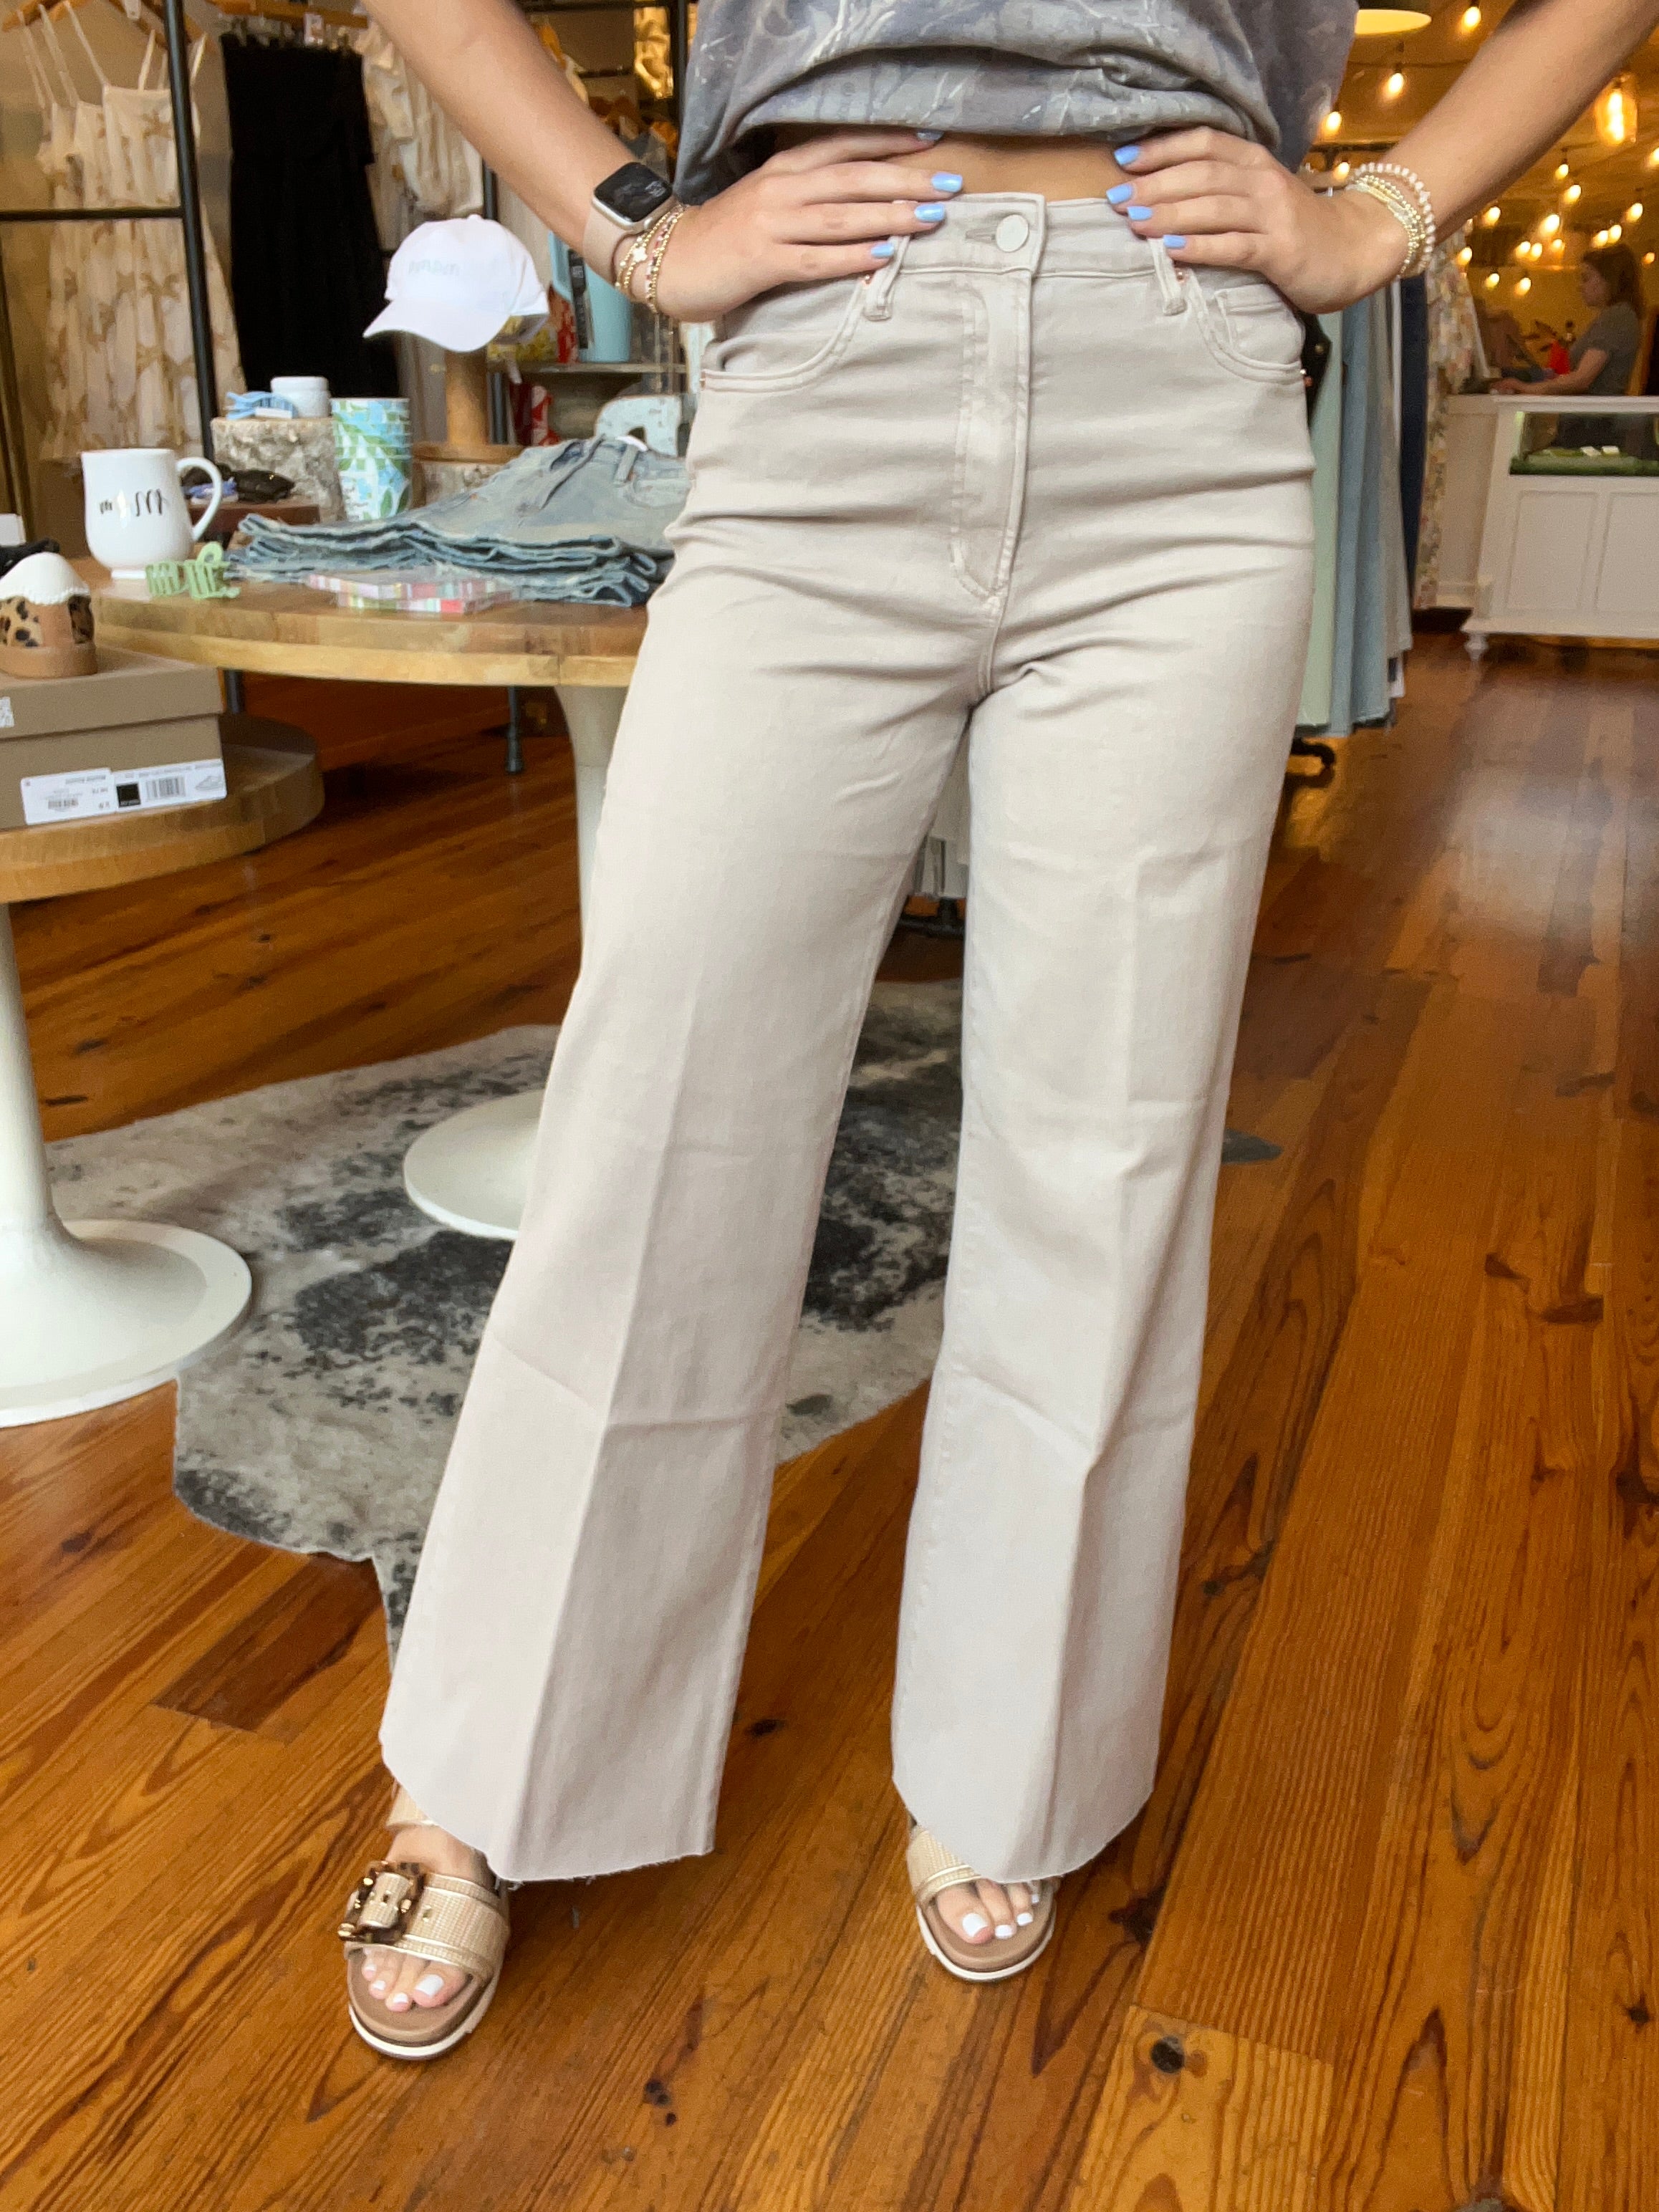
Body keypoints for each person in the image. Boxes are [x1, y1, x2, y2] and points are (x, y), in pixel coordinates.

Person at [337, 0, 1659, 2058]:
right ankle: (494, 1762)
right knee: (655, 1113)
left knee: (1102, 1139)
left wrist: (1380, 216)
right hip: (827, 344)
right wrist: (631, 227)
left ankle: (1012, 1757)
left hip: (1181, 376)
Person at [1494, 240, 1648, 450]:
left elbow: (1583, 378)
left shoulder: (1617, 317)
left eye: (1586, 278)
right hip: (1593, 422)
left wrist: (1527, 388)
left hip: (1592, 425)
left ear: (1609, 280)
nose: (1580, 286)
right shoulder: (1619, 316)